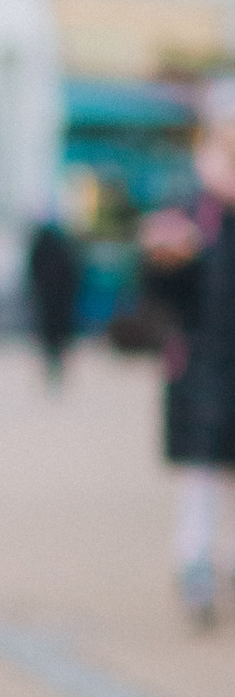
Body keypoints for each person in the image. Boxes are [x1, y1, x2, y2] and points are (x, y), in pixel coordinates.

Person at [140, 115, 235, 623]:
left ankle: (219, 563)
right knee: (203, 474)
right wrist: (163, 261)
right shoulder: (191, 217)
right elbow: (162, 298)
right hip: (204, 367)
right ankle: (196, 563)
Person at [26, 216, 84, 386]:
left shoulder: (41, 247)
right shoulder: (65, 247)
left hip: (48, 298)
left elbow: (32, 269)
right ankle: (56, 364)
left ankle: (53, 364)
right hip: (59, 299)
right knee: (58, 332)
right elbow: (74, 271)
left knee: (50, 332)